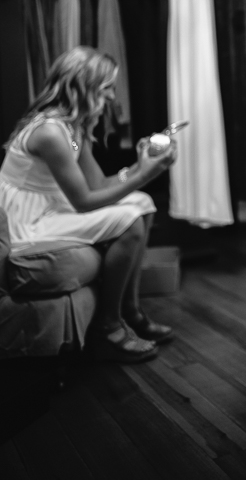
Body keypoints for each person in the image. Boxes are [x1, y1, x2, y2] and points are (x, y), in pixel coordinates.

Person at [0, 46, 177, 364]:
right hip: (28, 221)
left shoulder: (72, 128)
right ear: (82, 87)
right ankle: (109, 325)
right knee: (130, 219)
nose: (111, 97)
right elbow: (84, 202)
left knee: (142, 202)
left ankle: (131, 310)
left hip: (53, 207)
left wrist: (140, 165)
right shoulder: (50, 132)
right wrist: (148, 174)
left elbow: (97, 185)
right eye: (106, 88)